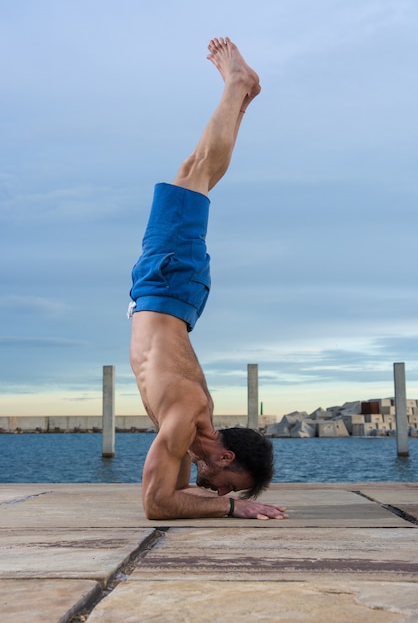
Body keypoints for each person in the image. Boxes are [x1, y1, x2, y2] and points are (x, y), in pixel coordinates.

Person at [129, 37, 288, 521]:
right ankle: (237, 87)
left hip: (172, 293)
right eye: (227, 484)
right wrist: (230, 512)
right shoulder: (185, 415)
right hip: (168, 285)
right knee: (194, 172)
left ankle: (241, 95)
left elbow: (172, 495)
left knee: (191, 174)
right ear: (224, 456)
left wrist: (208, 500)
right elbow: (157, 506)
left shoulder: (190, 427)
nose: (219, 492)